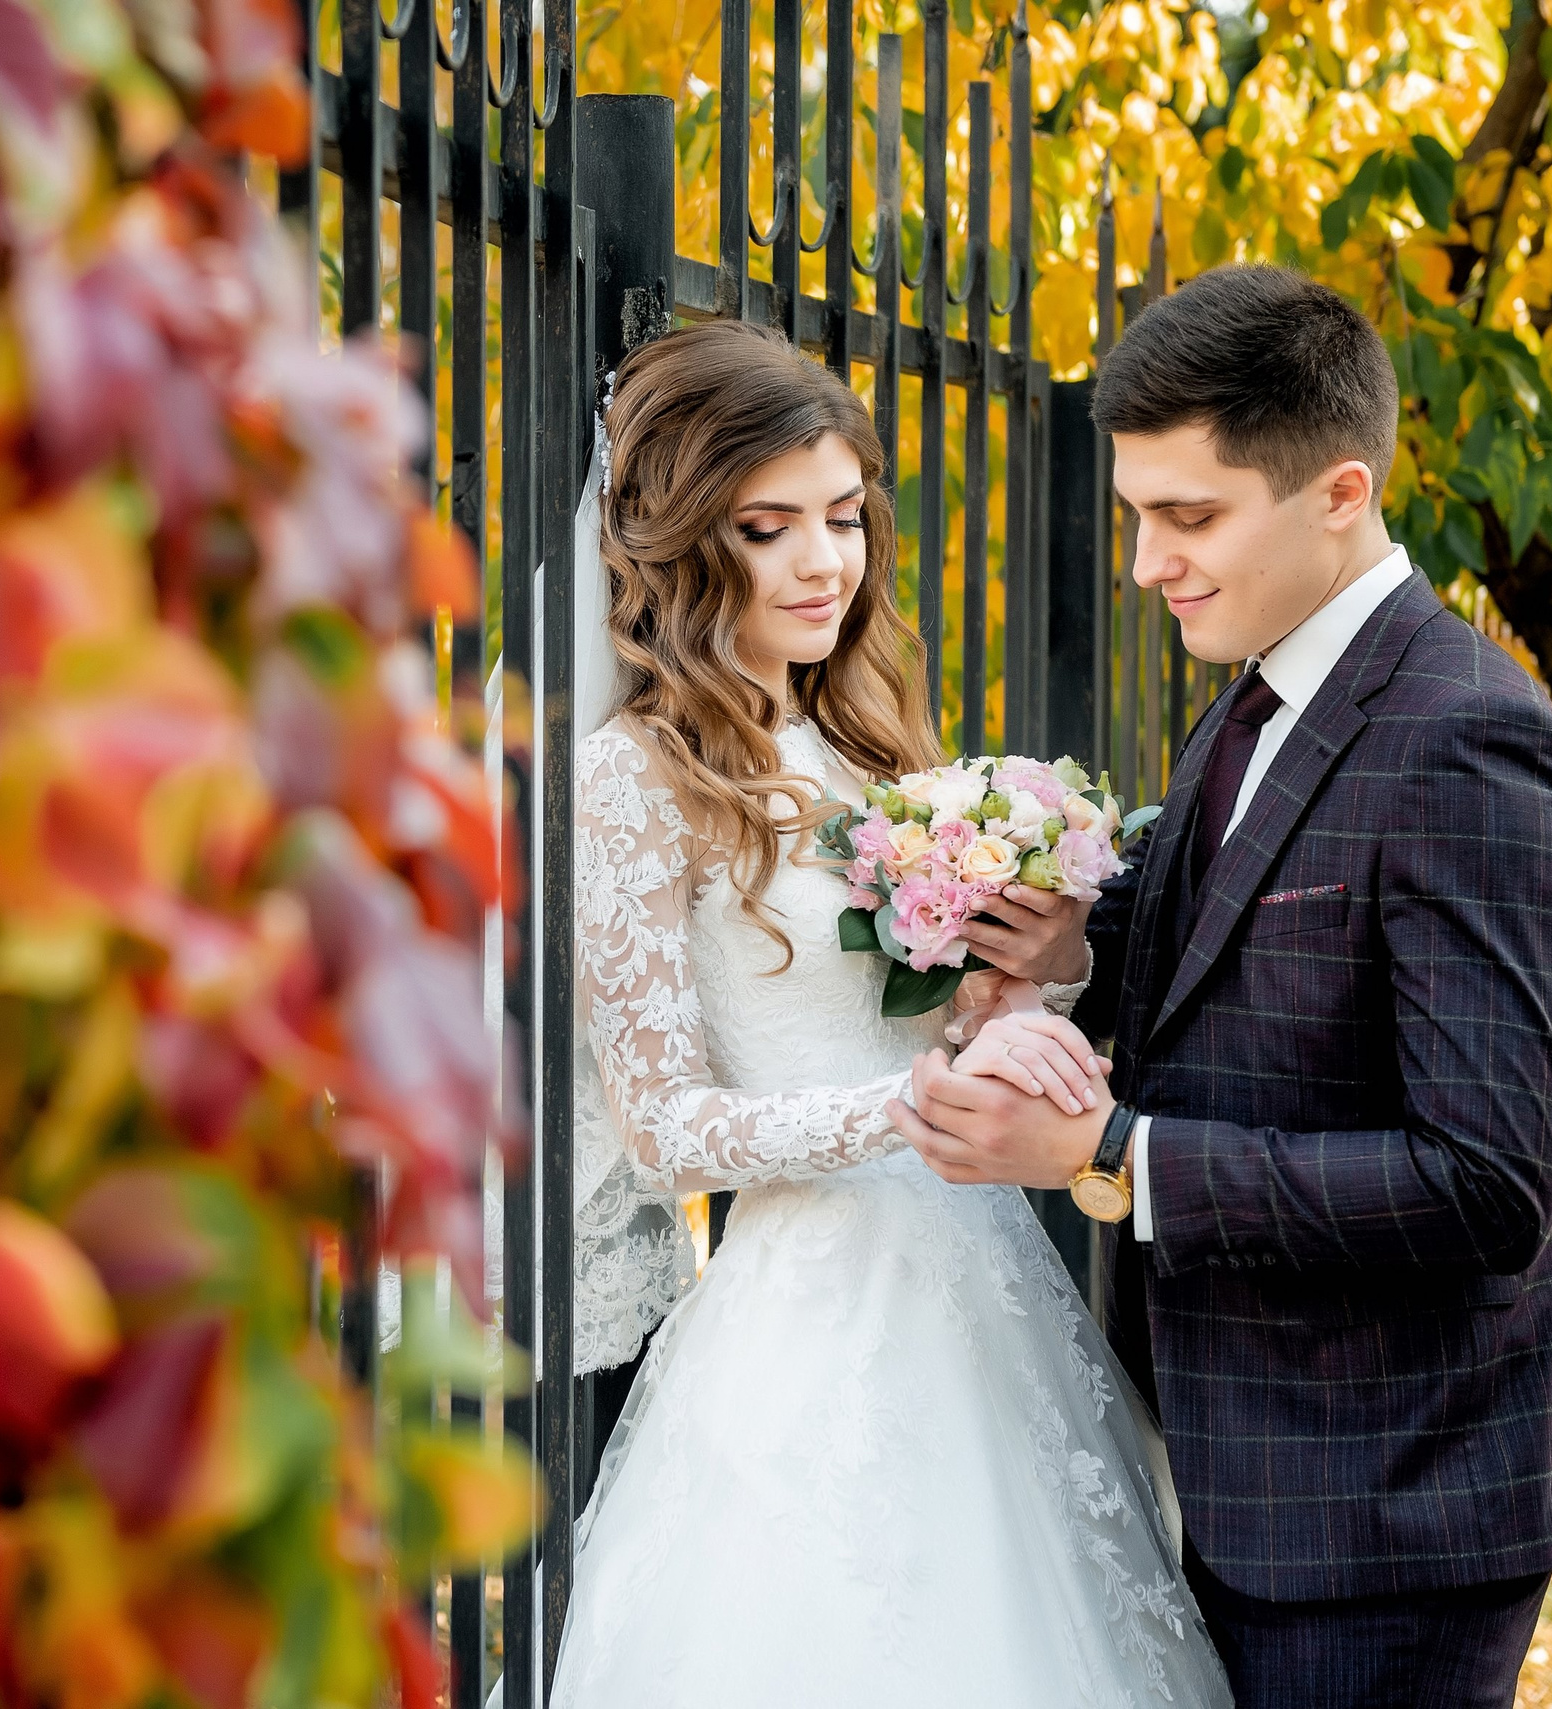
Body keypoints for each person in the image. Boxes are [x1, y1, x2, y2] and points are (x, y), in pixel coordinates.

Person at [888, 264, 1552, 1709]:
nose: (1147, 562)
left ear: (1341, 493)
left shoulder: (1470, 739)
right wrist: (1074, 951)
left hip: (1385, 1521)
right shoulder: (1256, 692)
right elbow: (1233, 963)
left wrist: (1107, 1157)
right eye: (1138, 514)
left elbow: (1486, 1185)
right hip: (1248, 1476)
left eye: (1191, 517)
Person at [550, 317, 1231, 1706]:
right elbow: (665, 1125)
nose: (825, 561)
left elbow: (925, 1024)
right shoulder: (636, 776)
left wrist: (1023, 990)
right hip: (808, 1314)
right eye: (769, 528)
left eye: (845, 517)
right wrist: (904, 1108)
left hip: (981, 1283)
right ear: (679, 541)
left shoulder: (861, 743)